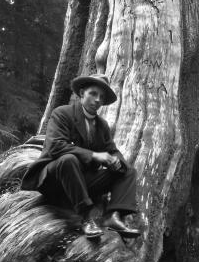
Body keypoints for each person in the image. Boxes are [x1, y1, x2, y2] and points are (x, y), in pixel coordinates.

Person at [21, 73, 140, 239]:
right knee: (68, 160)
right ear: (82, 93)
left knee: (128, 170)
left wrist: (117, 162)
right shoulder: (62, 113)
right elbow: (56, 146)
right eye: (93, 93)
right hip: (55, 181)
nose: (97, 99)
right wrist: (95, 156)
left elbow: (111, 149)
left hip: (82, 182)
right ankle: (87, 217)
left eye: (101, 96)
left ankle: (114, 217)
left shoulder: (102, 125)